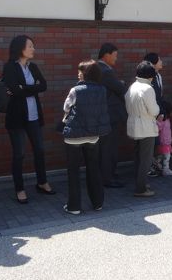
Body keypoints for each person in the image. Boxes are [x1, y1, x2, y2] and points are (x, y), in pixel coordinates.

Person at [3, 35, 55, 203]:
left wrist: (23, 88)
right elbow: (14, 90)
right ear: (20, 48)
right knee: (19, 154)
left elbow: (44, 85)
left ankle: (42, 182)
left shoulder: (33, 67)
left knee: (39, 150)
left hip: (33, 116)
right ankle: (19, 189)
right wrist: (32, 88)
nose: (33, 49)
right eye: (30, 46)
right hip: (17, 117)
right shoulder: (10, 67)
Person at [61, 60, 111, 215]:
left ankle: (74, 206)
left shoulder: (76, 90)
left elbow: (66, 107)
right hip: (93, 135)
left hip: (74, 137)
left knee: (73, 172)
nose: (78, 73)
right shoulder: (102, 90)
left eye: (80, 71)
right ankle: (97, 203)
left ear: (84, 74)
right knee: (93, 169)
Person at [125, 61, 160, 198]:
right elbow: (154, 110)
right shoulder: (147, 88)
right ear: (150, 75)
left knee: (138, 157)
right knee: (145, 159)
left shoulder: (132, 86)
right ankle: (141, 188)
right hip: (146, 127)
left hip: (134, 125)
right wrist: (157, 111)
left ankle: (141, 183)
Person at [97, 43, 127, 188]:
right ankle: (107, 178)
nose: (116, 59)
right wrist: (120, 83)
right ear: (107, 55)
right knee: (109, 148)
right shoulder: (106, 71)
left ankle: (108, 175)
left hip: (103, 116)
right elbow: (120, 89)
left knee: (106, 148)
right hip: (110, 116)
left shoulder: (97, 68)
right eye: (115, 55)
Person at [143, 52, 166, 177]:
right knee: (151, 142)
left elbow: (160, 96)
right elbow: (154, 97)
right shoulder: (147, 79)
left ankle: (153, 165)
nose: (161, 62)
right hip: (150, 115)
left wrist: (162, 111)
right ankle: (148, 167)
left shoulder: (158, 76)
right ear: (152, 63)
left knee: (157, 142)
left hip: (158, 113)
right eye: (159, 60)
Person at [155, 101, 172, 176]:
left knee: (161, 157)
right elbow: (157, 127)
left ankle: (159, 168)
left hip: (165, 142)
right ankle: (165, 170)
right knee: (166, 157)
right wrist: (157, 122)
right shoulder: (162, 120)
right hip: (164, 142)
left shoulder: (166, 120)